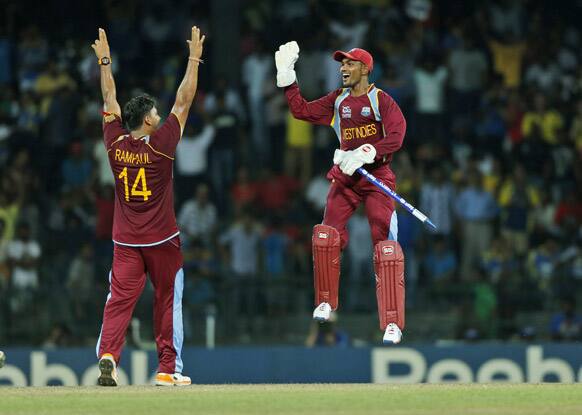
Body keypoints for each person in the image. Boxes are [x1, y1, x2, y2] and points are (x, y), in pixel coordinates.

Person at [91, 26, 205, 386]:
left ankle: (108, 354)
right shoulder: (162, 145)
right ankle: (167, 371)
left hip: (125, 240)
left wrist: (104, 61)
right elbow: (184, 100)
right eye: (156, 112)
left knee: (119, 300)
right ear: (149, 120)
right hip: (162, 240)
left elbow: (109, 97)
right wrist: (194, 58)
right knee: (168, 300)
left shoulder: (114, 143)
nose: (160, 115)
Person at [275, 42, 407, 343]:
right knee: (325, 235)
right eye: (341, 65)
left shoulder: (381, 101)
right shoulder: (338, 101)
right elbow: (301, 111)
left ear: (364, 68)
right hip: (347, 176)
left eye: (349, 65)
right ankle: (325, 302)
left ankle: (392, 322)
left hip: (377, 177)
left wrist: (368, 151)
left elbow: (397, 136)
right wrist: (287, 78)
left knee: (384, 246)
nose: (342, 69)